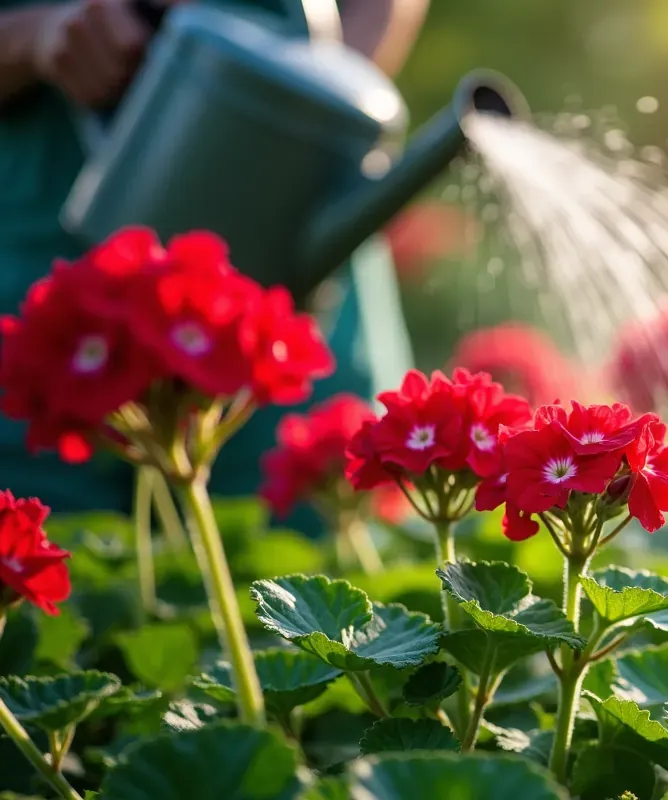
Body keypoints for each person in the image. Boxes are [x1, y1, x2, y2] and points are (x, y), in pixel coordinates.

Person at [0, 0, 428, 525]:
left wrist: (312, 97)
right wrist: (31, 36)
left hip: (283, 296)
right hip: (39, 270)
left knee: (320, 558)